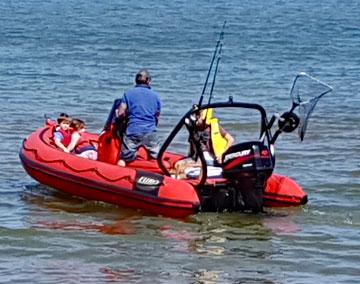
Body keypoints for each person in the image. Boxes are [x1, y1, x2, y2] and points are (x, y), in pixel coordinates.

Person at [116, 69, 161, 167]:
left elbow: (120, 113)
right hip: (150, 132)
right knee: (156, 159)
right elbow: (157, 116)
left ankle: (119, 175)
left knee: (124, 159)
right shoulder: (155, 96)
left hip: (133, 130)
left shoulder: (128, 93)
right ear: (148, 81)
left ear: (135, 80)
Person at [174, 109, 234, 179]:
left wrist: (222, 153)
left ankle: (191, 182)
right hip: (198, 157)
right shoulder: (193, 128)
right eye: (196, 115)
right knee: (178, 165)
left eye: (198, 116)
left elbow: (231, 139)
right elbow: (192, 149)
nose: (196, 117)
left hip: (210, 158)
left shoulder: (214, 127)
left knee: (193, 168)